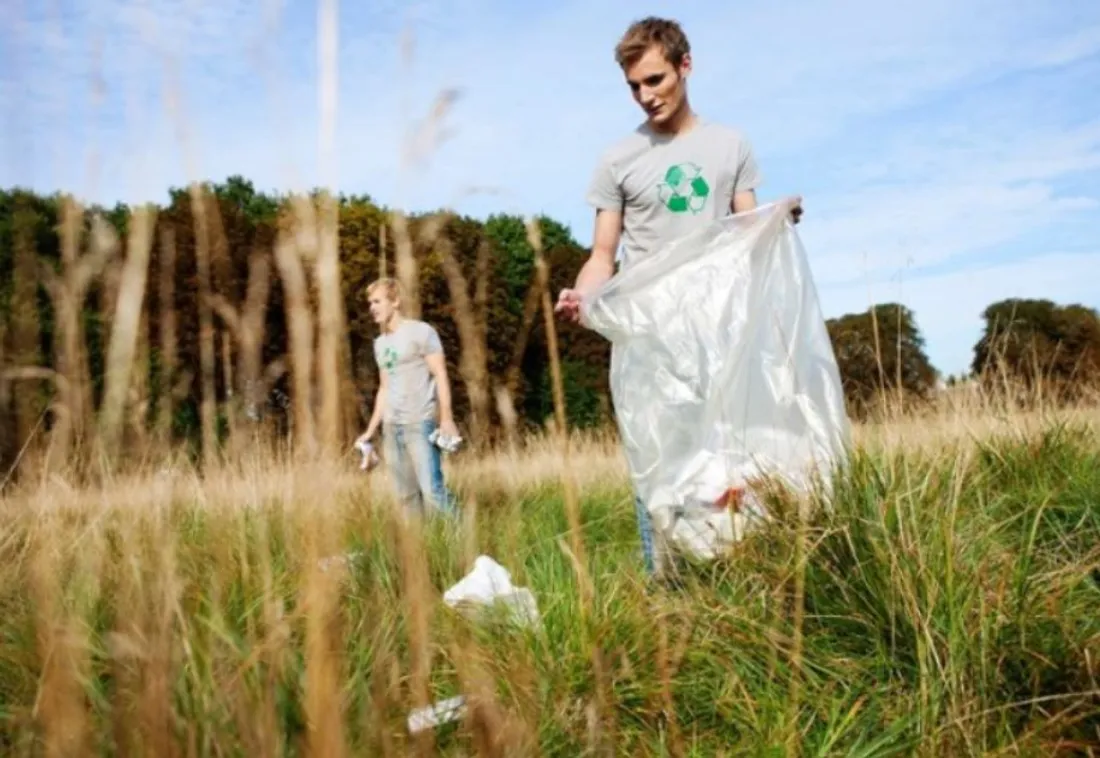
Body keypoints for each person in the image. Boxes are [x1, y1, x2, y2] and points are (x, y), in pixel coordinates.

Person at [554, 17, 803, 577]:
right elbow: (603, 254)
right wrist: (582, 296)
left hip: (719, 331)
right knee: (659, 464)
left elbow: (748, 231)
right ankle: (666, 592)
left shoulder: (730, 145)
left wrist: (778, 221)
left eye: (655, 80)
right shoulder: (618, 159)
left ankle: (738, 578)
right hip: (650, 337)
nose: (646, 96)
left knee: (729, 458)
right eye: (634, 86)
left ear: (685, 66)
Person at [356, 277, 460, 517]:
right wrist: (370, 431)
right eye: (370, 303)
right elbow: (384, 388)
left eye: (377, 301)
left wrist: (446, 418)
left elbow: (440, 374)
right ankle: (418, 542)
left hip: (419, 423)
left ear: (395, 301)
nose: (372, 307)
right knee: (406, 498)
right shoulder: (380, 344)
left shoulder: (421, 332)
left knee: (433, 491)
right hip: (392, 428)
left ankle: (466, 537)